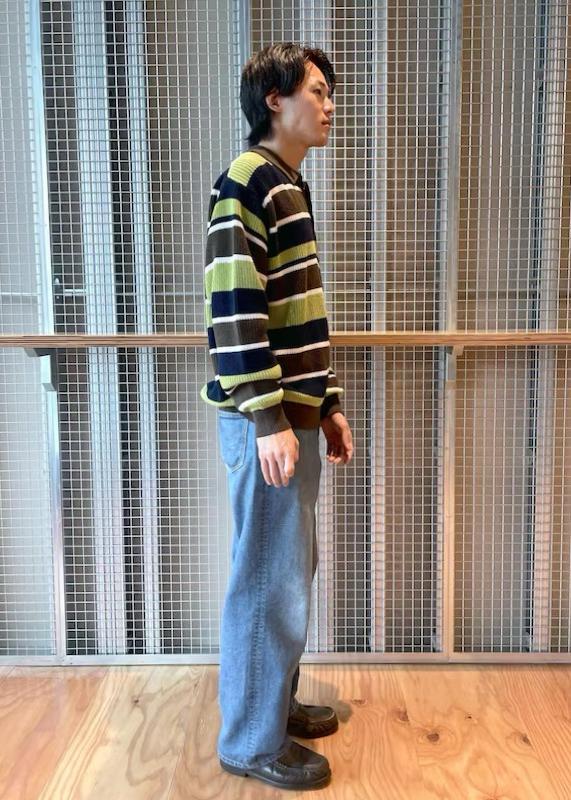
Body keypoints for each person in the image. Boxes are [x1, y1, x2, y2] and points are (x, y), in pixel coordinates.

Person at [200, 41, 354, 791]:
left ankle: (271, 707)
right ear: (275, 99)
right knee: (267, 578)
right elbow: (234, 308)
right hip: (267, 423)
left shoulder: (288, 183)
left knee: (288, 572)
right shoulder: (247, 181)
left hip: (291, 418)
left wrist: (326, 404)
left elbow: (299, 313)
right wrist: (266, 417)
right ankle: (250, 742)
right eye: (317, 91)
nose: (329, 106)